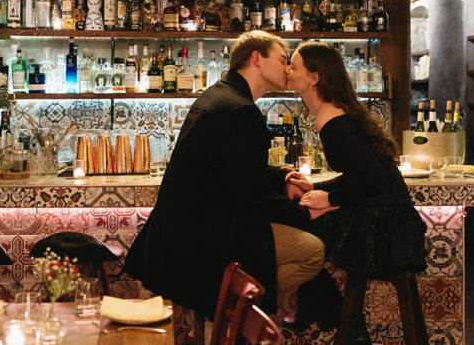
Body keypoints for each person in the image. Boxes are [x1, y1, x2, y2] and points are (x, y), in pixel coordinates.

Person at [124, 31, 327, 318]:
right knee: (313, 251)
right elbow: (252, 196)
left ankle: (227, 308)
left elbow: (231, 167)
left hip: (179, 235)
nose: (287, 69)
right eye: (283, 60)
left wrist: (281, 179)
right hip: (206, 240)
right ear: (257, 58)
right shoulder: (241, 110)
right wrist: (303, 213)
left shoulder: (222, 96)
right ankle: (230, 307)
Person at [285, 40, 428, 345]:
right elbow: (361, 174)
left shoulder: (332, 121)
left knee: (297, 236)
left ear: (314, 77)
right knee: (302, 225)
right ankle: (348, 332)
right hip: (384, 212)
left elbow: (374, 177)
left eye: (293, 66)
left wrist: (330, 198)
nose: (287, 72)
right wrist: (318, 188)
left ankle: (347, 331)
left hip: (385, 225)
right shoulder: (332, 112)